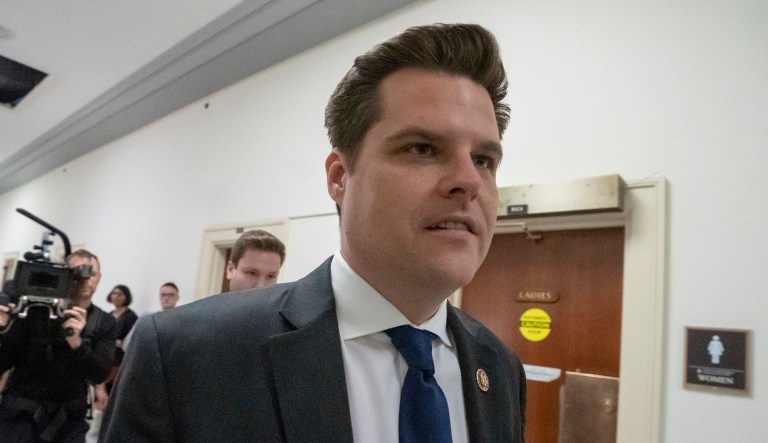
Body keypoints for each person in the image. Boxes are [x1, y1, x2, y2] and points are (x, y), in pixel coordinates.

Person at [100, 23, 526, 442]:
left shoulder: (501, 369)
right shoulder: (184, 356)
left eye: (485, 159)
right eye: (422, 148)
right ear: (340, 177)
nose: (469, 180)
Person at [0, 249, 116, 442]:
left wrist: (77, 343)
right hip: (21, 417)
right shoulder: (34, 311)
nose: (84, 279)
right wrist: (4, 332)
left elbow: (100, 373)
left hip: (67, 421)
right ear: (63, 276)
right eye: (76, 273)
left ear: (99, 277)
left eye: (91, 273)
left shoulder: (103, 322)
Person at [120, 282, 179, 354]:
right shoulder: (147, 317)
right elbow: (127, 344)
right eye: (163, 295)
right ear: (159, 297)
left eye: (171, 295)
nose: (166, 298)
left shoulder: (184, 322)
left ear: (177, 297)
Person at [103, 285, 138, 394]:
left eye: (120, 294)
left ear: (126, 297)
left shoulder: (131, 317)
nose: (116, 296)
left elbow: (132, 342)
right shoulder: (108, 315)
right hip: (106, 358)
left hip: (121, 362)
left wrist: (115, 342)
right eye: (114, 293)